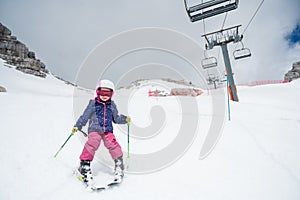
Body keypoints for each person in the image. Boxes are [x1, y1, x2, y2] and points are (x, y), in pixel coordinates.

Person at [72, 79, 130, 186]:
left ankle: (119, 164)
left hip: (107, 130)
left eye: (107, 93)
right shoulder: (93, 103)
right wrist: (78, 125)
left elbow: (116, 118)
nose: (104, 95)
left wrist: (124, 119)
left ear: (111, 94)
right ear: (97, 92)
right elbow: (85, 116)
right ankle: (84, 165)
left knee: (112, 143)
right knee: (93, 142)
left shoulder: (112, 105)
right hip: (94, 129)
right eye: (102, 93)